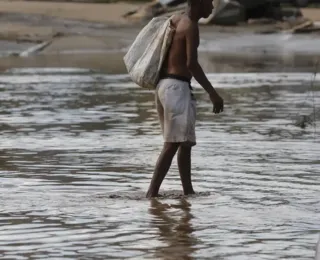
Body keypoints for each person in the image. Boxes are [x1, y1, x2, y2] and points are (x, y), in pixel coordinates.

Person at [146, 0, 224, 198]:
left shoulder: (176, 18)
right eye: (210, 3)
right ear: (199, 2)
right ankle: (151, 194)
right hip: (176, 88)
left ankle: (188, 192)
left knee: (184, 142)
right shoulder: (191, 26)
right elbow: (192, 64)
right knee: (172, 143)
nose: (213, 8)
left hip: (164, 86)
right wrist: (212, 93)